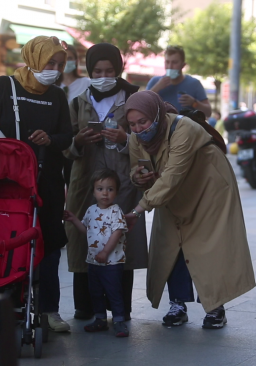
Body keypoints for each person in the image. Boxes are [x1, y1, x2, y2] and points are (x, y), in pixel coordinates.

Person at [0, 36, 74, 333]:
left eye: (60, 64)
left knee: (50, 242)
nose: (54, 69)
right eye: (50, 63)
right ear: (34, 59)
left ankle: (50, 310)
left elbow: (68, 136)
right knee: (8, 237)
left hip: (46, 180)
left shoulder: (57, 96)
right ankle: (1, 299)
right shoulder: (5, 86)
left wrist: (50, 139)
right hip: (6, 180)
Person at [124, 91, 255, 329]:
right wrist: (139, 177)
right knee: (171, 244)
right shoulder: (136, 138)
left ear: (157, 115)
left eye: (143, 121)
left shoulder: (183, 129)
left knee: (209, 247)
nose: (138, 128)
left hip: (209, 190)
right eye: (132, 124)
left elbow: (173, 175)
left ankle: (216, 308)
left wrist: (138, 210)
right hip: (170, 193)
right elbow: (137, 168)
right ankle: (177, 305)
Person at [64, 43, 146, 322]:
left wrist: (125, 140)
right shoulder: (78, 100)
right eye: (97, 71)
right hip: (87, 180)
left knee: (121, 237)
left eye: (110, 70)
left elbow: (147, 139)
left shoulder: (134, 97)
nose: (103, 75)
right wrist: (78, 141)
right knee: (84, 239)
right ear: (89, 71)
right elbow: (65, 145)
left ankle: (121, 307)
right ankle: (85, 306)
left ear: (119, 69)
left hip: (122, 179)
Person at [63, 169, 130, 338]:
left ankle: (119, 320)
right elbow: (87, 231)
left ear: (116, 191)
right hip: (93, 262)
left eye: (110, 189)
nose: (105, 193)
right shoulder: (91, 210)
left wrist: (106, 252)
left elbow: (117, 232)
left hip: (112, 262)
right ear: (93, 192)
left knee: (114, 291)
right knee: (95, 292)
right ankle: (100, 318)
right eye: (100, 189)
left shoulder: (116, 211)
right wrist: (74, 220)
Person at [57, 45, 91, 190]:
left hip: (77, 139)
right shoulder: (53, 85)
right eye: (64, 59)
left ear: (76, 60)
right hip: (57, 138)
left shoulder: (86, 84)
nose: (67, 62)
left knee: (74, 180)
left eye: (70, 58)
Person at [146, 45, 211, 116]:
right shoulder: (155, 81)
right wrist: (156, 88)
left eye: (174, 62)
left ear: (183, 65)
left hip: (186, 126)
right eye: (167, 62)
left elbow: (208, 112)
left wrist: (194, 103)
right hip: (161, 126)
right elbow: (141, 106)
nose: (170, 66)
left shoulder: (194, 84)